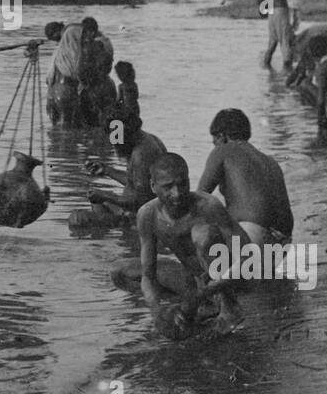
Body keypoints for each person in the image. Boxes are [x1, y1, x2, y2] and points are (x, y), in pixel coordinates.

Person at [132, 153, 247, 334]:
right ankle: (201, 306)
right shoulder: (147, 215)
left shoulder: (208, 206)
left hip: (231, 278)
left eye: (182, 184)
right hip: (198, 281)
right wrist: (156, 311)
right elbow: (148, 275)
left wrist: (213, 287)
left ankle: (228, 307)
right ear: (153, 186)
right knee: (120, 272)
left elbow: (248, 257)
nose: (177, 193)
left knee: (202, 234)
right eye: (168, 187)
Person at [196, 109, 294, 245]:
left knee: (200, 231)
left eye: (215, 140)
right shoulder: (271, 161)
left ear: (222, 136)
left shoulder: (222, 151)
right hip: (282, 241)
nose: (214, 144)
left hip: (250, 234)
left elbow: (199, 198)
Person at [83, 112, 166, 225]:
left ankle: (114, 235)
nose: (114, 145)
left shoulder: (141, 155)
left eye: (117, 141)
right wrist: (107, 170)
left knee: (78, 219)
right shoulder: (147, 139)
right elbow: (137, 182)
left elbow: (143, 202)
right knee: (96, 200)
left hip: (142, 218)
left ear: (127, 134)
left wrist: (107, 196)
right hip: (138, 211)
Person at [45, 20, 83, 125]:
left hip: (53, 91)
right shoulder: (67, 40)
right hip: (64, 90)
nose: (56, 41)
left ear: (58, 31)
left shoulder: (68, 35)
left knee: (57, 127)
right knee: (66, 127)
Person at [260, 0, 293, 72]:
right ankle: (287, 67)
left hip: (272, 12)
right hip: (280, 10)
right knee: (285, 39)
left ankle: (266, 64)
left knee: (273, 41)